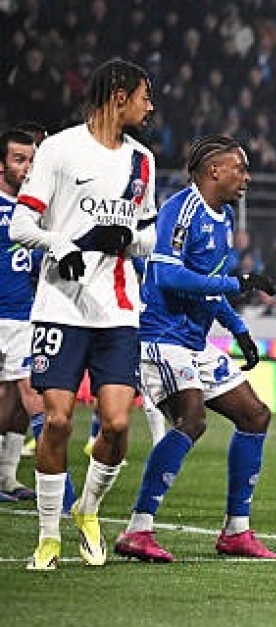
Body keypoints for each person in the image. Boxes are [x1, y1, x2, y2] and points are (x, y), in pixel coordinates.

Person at [10, 58, 160, 571]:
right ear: (119, 95)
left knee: (117, 424)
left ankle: (88, 510)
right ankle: (48, 537)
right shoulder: (59, 149)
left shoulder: (143, 161)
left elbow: (150, 235)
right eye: (144, 95)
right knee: (55, 421)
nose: (150, 105)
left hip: (118, 309)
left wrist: (131, 239)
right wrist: (63, 243)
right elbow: (21, 225)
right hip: (60, 307)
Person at [114, 135, 276, 562]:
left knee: (255, 414)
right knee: (192, 419)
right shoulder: (181, 210)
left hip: (193, 341)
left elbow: (208, 288)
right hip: (161, 336)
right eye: (239, 168)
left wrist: (238, 329)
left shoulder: (222, 219)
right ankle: (138, 528)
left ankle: (236, 532)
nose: (246, 176)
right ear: (214, 171)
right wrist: (239, 283)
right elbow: (169, 276)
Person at [0, 128, 40, 503]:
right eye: (18, 159)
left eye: (31, 159)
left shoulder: (32, 212)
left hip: (24, 317)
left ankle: (8, 477)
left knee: (24, 397)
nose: (27, 167)